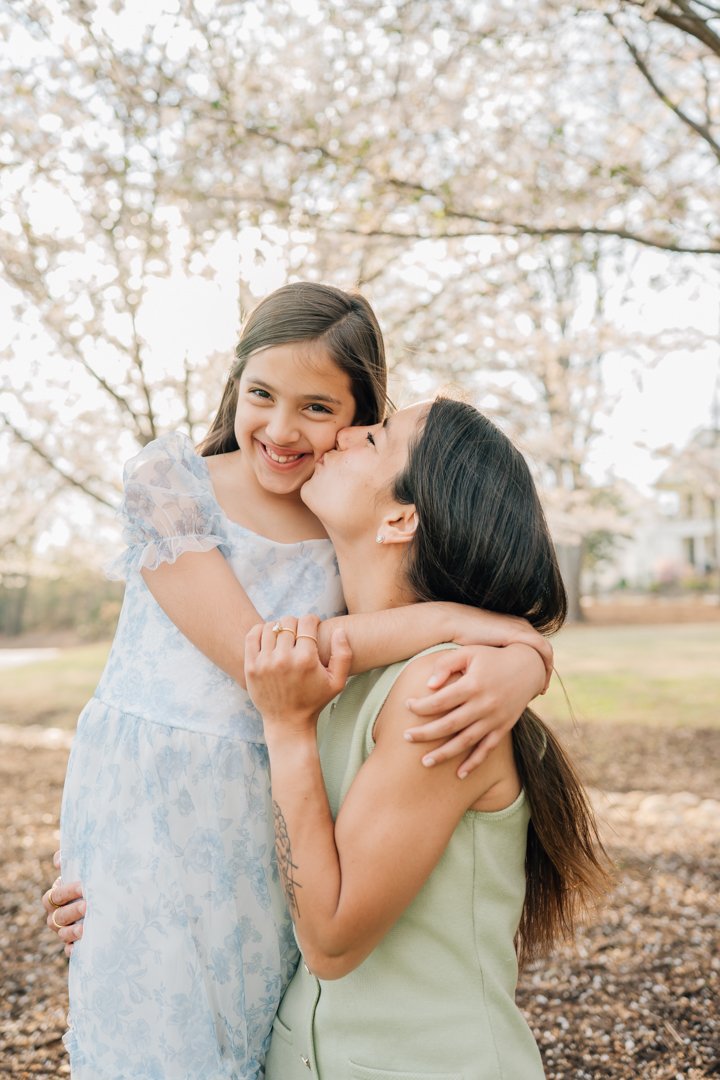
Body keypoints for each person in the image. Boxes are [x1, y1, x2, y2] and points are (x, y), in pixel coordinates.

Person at [44, 283, 553, 1080]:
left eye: (320, 410)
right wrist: (485, 633)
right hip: (147, 843)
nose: (282, 430)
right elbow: (267, 657)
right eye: (261, 395)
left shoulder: (342, 521)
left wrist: (520, 661)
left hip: (274, 852)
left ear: (354, 421)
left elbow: (343, 649)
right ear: (236, 381)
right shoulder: (173, 489)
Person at [243, 398, 611, 1079]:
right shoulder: (334, 670)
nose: (346, 432)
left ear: (401, 517)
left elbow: (330, 939)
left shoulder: (441, 691)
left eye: (376, 437)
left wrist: (288, 731)